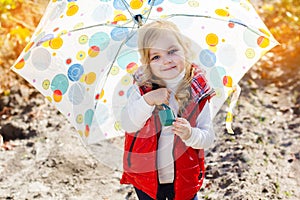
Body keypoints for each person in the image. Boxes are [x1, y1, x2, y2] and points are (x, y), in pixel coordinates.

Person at [120, 20, 215, 200]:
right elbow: (129, 123)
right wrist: (148, 100)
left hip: (184, 176)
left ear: (185, 49)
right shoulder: (142, 88)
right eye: (156, 57)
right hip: (146, 176)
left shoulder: (197, 90)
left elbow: (207, 136)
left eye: (172, 51)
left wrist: (190, 134)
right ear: (147, 63)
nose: (166, 60)